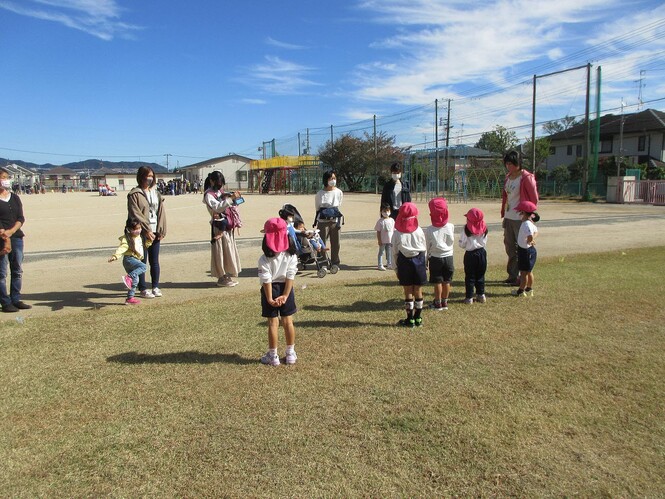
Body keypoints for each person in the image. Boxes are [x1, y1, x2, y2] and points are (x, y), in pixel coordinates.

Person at [258, 217, 299, 366]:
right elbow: (290, 276)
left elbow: (266, 280)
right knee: (288, 322)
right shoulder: (291, 256)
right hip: (286, 289)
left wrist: (269, 298)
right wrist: (286, 295)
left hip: (270, 290)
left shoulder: (263, 259)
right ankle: (290, 354)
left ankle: (273, 356)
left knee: (273, 323)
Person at [127, 166, 167, 299]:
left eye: (151, 176)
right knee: (142, 261)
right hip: (141, 232)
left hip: (156, 231)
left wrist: (161, 229)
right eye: (147, 176)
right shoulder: (134, 194)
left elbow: (161, 212)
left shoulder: (156, 193)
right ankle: (143, 288)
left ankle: (155, 286)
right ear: (141, 177)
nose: (149, 179)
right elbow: (135, 213)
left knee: (154, 261)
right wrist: (146, 230)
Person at [501, 150, 538, 286]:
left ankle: (523, 276)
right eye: (507, 163)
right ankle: (512, 275)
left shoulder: (526, 177)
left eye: (511, 163)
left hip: (520, 218)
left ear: (518, 163)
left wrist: (530, 214)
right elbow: (506, 196)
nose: (508, 166)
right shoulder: (508, 177)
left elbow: (534, 198)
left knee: (522, 248)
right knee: (510, 247)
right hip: (509, 216)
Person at [203, 171, 242, 287]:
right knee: (220, 252)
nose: (220, 185)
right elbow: (217, 208)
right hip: (219, 225)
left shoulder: (219, 192)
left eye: (222, 183)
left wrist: (234, 199)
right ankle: (221, 276)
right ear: (212, 181)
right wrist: (230, 200)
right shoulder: (208, 194)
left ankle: (227, 275)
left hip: (227, 226)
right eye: (219, 183)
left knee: (228, 251)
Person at [0, 167, 31, 313]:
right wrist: (5, 235)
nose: (6, 180)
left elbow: (20, 218)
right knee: (1, 272)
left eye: (7, 177)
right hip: (1, 238)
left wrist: (11, 232)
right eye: (3, 177)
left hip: (16, 236)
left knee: (17, 269)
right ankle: (5, 302)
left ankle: (15, 299)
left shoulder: (14, 197)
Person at [391, 202, 427, 327]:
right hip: (419, 260)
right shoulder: (420, 230)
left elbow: (394, 252)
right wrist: (425, 263)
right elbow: (424, 248)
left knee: (408, 290)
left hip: (404, 262)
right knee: (418, 289)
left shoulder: (397, 233)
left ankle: (410, 319)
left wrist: (396, 269)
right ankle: (418, 318)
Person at [108, 218, 149, 305]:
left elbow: (143, 246)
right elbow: (121, 248)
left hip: (134, 260)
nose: (138, 231)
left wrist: (150, 241)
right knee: (143, 267)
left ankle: (130, 298)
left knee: (135, 281)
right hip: (129, 259)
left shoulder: (140, 237)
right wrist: (115, 256)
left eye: (139, 228)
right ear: (129, 229)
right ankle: (129, 277)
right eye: (135, 229)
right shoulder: (127, 239)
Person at [424, 197, 454, 311]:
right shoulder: (450, 226)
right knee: (447, 281)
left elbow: (427, 246)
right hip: (449, 256)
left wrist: (426, 259)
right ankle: (445, 301)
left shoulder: (430, 229)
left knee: (437, 281)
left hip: (436, 257)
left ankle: (437, 303)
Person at [314, 170, 343, 267]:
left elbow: (339, 203)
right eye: (331, 179)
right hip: (323, 221)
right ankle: (323, 262)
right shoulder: (320, 193)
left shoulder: (339, 192)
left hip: (335, 220)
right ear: (326, 180)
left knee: (336, 243)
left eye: (334, 178)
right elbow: (317, 207)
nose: (333, 180)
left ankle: (335, 262)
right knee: (321, 242)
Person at [459, 208, 488, 304]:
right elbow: (484, 241)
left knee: (470, 276)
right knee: (480, 274)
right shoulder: (484, 227)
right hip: (481, 253)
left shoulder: (466, 229)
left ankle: (469, 297)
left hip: (470, 254)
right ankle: (481, 294)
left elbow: (462, 244)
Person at [512, 200, 540, 297]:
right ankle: (529, 289)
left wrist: (530, 240)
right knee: (529, 271)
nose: (518, 213)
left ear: (523, 212)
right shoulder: (530, 223)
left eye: (519, 211)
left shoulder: (526, 224)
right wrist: (532, 240)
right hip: (530, 250)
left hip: (525, 251)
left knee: (523, 273)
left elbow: (530, 235)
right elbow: (536, 232)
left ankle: (521, 291)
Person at [374, 203, 395, 270]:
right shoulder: (380, 221)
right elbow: (378, 231)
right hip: (383, 240)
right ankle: (380, 265)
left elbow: (394, 230)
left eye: (388, 211)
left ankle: (389, 263)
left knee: (389, 252)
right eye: (384, 211)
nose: (386, 213)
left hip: (390, 240)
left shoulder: (392, 220)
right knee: (381, 252)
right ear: (381, 212)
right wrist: (379, 240)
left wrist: (394, 239)